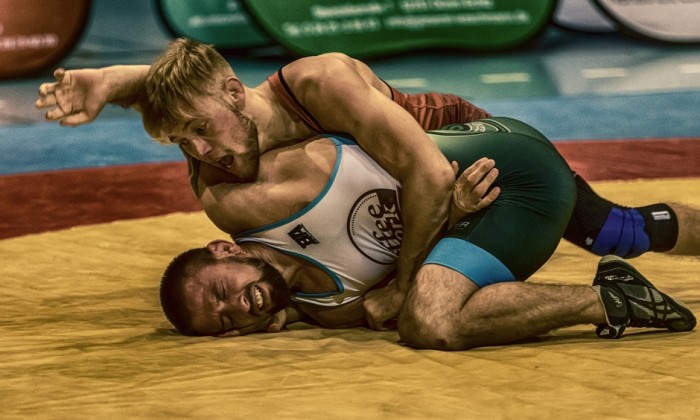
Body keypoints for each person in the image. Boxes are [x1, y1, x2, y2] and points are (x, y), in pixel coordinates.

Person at [35, 38, 699, 330]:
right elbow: (189, 90)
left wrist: (407, 284)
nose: (201, 153)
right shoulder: (219, 173)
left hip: (457, 147)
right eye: (183, 143)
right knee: (619, 230)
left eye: (200, 133)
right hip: (412, 189)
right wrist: (115, 82)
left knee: (610, 232)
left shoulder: (319, 84)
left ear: (236, 95)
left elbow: (428, 174)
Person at [158, 121, 695, 349]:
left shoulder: (263, 196)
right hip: (482, 193)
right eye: (225, 321)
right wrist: (289, 314)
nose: (237, 306)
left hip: (484, 168)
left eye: (222, 290)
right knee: (621, 231)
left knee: (429, 317)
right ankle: (618, 288)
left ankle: (613, 299)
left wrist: (446, 205)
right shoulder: (328, 308)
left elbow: (244, 115)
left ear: (223, 248)